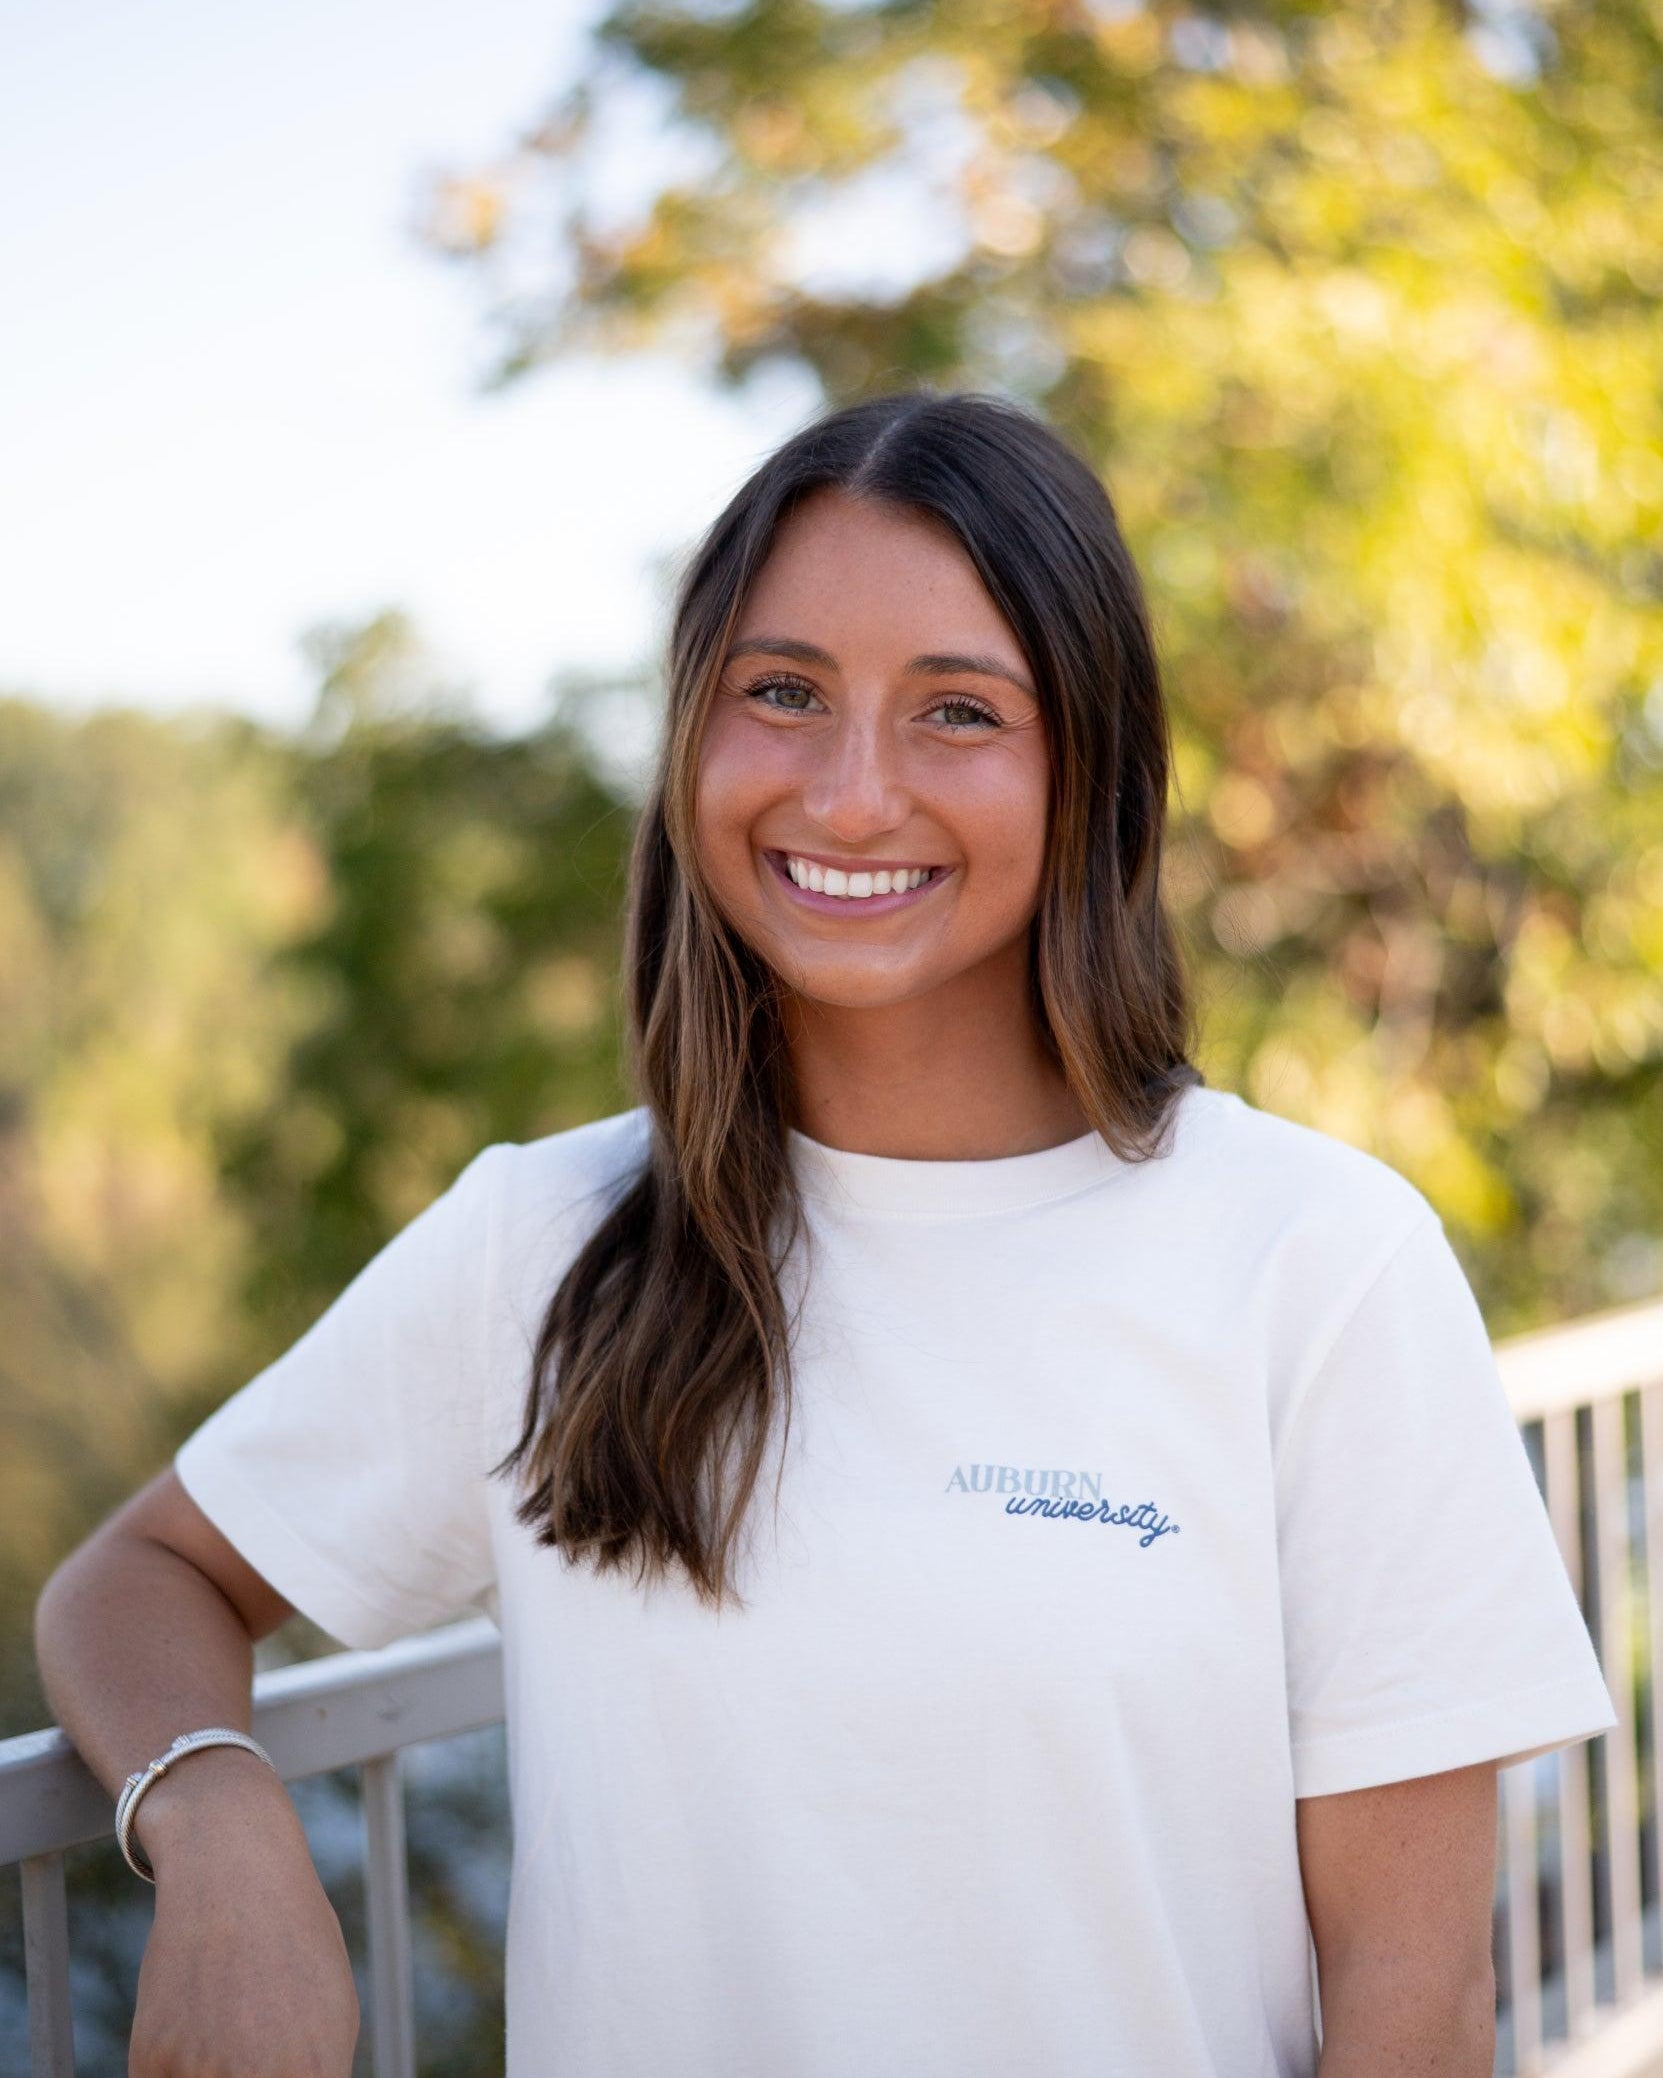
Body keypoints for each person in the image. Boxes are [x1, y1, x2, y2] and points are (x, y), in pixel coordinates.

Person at [36, 387, 1615, 2078]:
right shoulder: (546, 1242)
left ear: (1087, 766)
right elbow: (141, 1576)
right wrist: (218, 1824)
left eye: (957, 712)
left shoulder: (1318, 1263)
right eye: (782, 693)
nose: (852, 795)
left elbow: (1417, 2006)